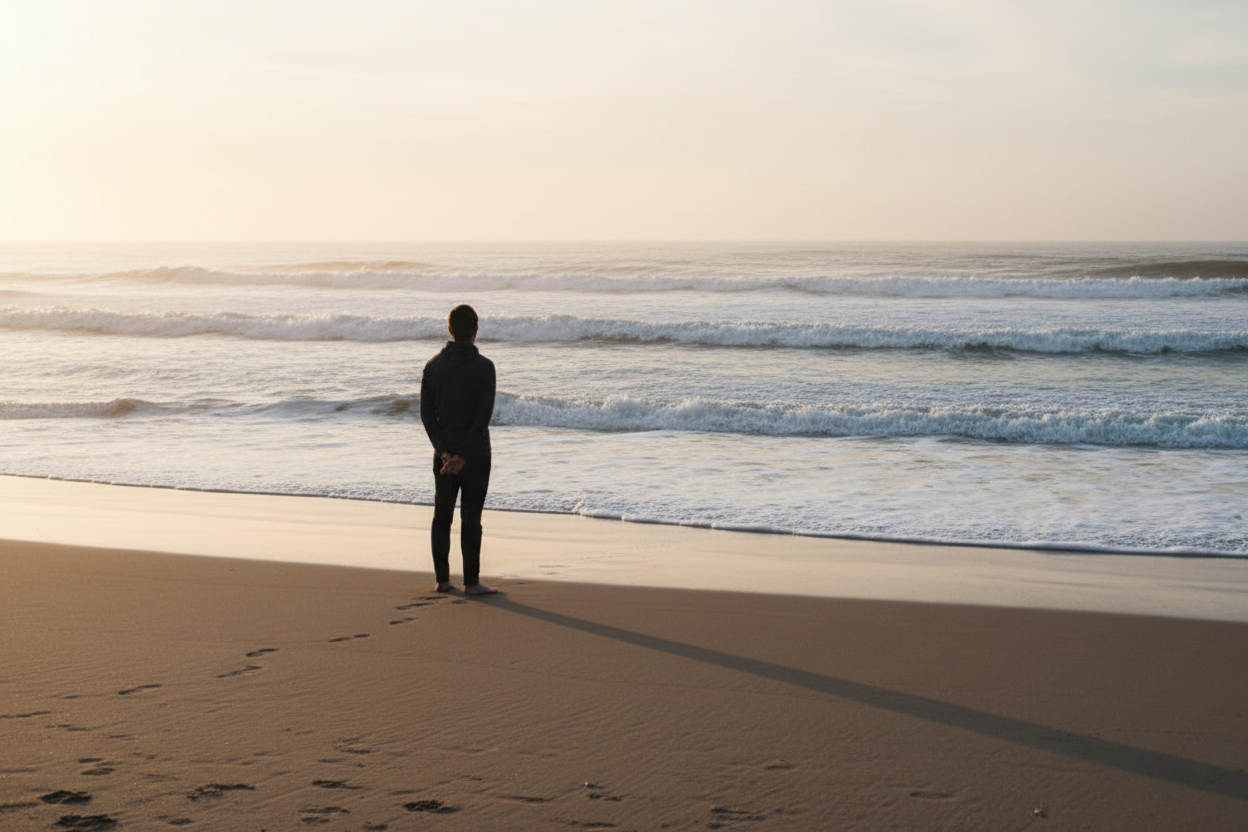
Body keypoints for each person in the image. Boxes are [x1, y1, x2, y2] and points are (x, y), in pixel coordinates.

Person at [420, 304, 498, 595]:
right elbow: (482, 417)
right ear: (476, 329)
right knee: (471, 518)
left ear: (450, 330)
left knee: (442, 516)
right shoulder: (485, 367)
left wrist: (444, 453)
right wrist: (463, 456)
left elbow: (428, 416)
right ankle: (471, 583)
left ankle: (442, 580)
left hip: (444, 457)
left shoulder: (432, 367)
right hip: (475, 456)